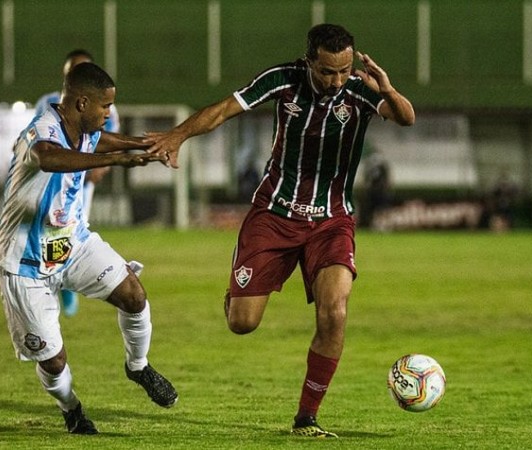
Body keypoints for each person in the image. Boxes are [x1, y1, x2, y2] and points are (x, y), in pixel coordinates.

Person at [146, 23, 415, 437]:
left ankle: (306, 418)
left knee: (335, 312)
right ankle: (236, 294)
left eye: (344, 70)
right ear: (309, 61)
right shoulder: (282, 80)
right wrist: (178, 135)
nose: (336, 80)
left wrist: (387, 88)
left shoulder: (361, 90)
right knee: (242, 323)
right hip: (274, 214)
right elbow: (223, 110)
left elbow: (405, 118)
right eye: (327, 71)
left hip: (331, 220)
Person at [0, 62, 177, 435]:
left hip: (72, 243)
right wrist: (117, 159)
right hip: (25, 260)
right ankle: (71, 407)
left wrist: (141, 144)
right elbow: (49, 157)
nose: (109, 115)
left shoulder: (84, 129)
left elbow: (102, 140)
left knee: (134, 294)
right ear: (81, 103)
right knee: (54, 359)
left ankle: (137, 366)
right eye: (104, 107)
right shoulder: (41, 131)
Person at [35, 49, 119, 317]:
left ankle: (64, 281)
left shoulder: (105, 105)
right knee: (52, 228)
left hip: (82, 180)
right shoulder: (47, 102)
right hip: (52, 179)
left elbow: (105, 137)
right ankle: (54, 284)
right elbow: (40, 139)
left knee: (73, 228)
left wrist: (103, 165)